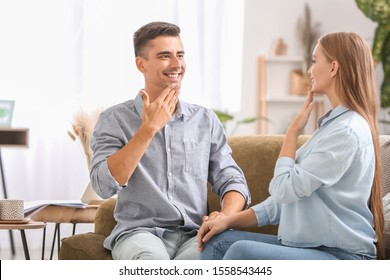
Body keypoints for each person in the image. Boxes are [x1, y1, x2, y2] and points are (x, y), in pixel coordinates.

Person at [197, 32, 385, 260]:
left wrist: (292, 133)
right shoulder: (332, 127)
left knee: (240, 252)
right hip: (308, 248)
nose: (309, 71)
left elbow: (283, 189)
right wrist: (226, 221)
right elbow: (281, 202)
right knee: (216, 241)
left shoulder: (347, 131)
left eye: (314, 61)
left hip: (340, 255)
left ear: (333, 68)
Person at [89, 21, 250, 260]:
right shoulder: (114, 120)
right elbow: (103, 186)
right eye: (165, 56)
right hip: (139, 233)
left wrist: (225, 216)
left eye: (180, 55)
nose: (176, 64)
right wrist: (148, 129)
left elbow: (232, 179)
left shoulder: (204, 120)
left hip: (196, 235)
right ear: (141, 64)